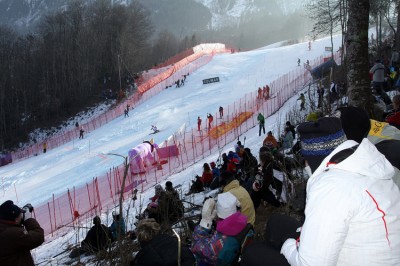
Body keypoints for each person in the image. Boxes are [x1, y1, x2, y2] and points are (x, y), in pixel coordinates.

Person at [279, 117, 400, 265]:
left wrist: (287, 246)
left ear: (312, 159)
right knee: (277, 223)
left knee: (257, 252)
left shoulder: (332, 187)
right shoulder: (364, 164)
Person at [191, 192, 254, 265]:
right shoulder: (244, 224)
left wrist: (204, 224)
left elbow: (195, 247)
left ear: (219, 213)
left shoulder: (220, 244)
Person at [0, 200, 44, 265]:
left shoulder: (3, 227)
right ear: (15, 219)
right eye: (20, 215)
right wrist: (28, 219)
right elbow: (38, 237)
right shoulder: (11, 233)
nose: (21, 216)